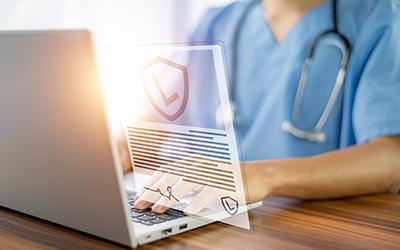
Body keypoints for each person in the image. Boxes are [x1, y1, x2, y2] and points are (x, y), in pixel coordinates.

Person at [131, 0, 400, 214]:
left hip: (307, 224)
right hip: (200, 211)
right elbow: (160, 122)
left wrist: (263, 176)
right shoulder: (217, 22)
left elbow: (392, 158)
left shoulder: (382, 18)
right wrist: (120, 147)